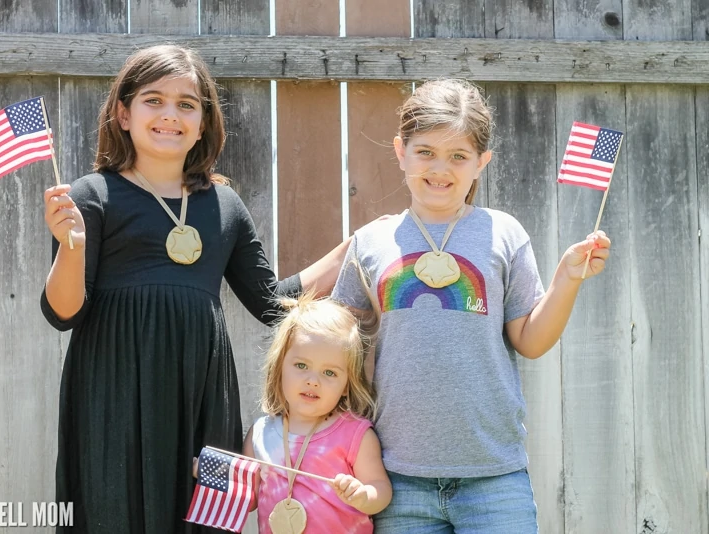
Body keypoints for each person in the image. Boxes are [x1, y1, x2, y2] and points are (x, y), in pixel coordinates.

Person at [41, 44, 350, 533]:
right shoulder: (90, 195)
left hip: (201, 394)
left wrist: (351, 250)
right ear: (123, 114)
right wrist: (70, 246)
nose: (170, 115)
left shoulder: (223, 205)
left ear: (203, 123)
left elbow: (273, 304)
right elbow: (63, 313)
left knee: (202, 515)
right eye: (153, 100)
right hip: (113, 390)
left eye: (187, 104)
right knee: (109, 509)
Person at [331, 79, 612, 533]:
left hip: (494, 477)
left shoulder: (503, 233)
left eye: (458, 156)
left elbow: (530, 340)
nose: (440, 168)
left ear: (481, 163)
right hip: (396, 478)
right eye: (426, 152)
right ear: (400, 151)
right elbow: (340, 348)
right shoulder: (371, 242)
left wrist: (567, 279)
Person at [244, 296, 391, 533]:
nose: (313, 381)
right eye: (301, 366)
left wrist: (363, 495)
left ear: (346, 385)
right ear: (280, 366)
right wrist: (215, 474)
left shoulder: (355, 435)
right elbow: (248, 498)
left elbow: (381, 489)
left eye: (329, 373)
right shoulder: (260, 434)